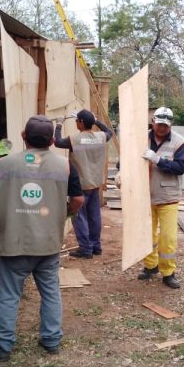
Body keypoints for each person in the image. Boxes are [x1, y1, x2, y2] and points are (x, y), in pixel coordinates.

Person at [0, 115, 84, 361]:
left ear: (23, 136)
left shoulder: (3, 165)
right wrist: (65, 213)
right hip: (47, 243)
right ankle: (51, 340)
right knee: (50, 292)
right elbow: (78, 199)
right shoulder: (65, 166)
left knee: (8, 295)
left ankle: (3, 345)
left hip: (14, 243)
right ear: (51, 140)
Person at [139, 106, 184, 289]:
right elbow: (127, 159)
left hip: (168, 196)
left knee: (167, 237)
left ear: (170, 125)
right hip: (144, 195)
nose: (161, 128)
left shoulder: (180, 143)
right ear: (153, 122)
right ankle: (150, 266)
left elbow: (181, 167)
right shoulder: (140, 137)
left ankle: (168, 272)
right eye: (159, 124)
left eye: (165, 126)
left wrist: (159, 161)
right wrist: (122, 173)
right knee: (147, 235)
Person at [53, 109, 114, 259]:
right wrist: (96, 119)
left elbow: (57, 142)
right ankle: (96, 246)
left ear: (80, 122)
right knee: (94, 216)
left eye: (76, 121)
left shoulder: (75, 139)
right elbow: (109, 132)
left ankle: (86, 249)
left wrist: (59, 124)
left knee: (79, 216)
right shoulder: (101, 137)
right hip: (95, 184)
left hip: (80, 185)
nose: (75, 123)